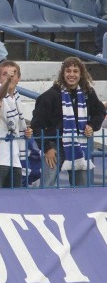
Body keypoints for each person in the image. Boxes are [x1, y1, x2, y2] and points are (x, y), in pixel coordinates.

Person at [31, 56, 105, 187]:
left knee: (81, 188)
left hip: (78, 146)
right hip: (54, 147)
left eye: (75, 71)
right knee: (46, 187)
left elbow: (99, 112)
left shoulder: (88, 93)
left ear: (81, 74)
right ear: (62, 73)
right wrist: (47, 148)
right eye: (68, 71)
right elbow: (36, 125)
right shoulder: (50, 95)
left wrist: (92, 126)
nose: (72, 74)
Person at [0, 60, 29, 189]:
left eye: (13, 74)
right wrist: (8, 81)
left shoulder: (18, 99)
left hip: (14, 158)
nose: (10, 77)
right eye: (5, 74)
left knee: (15, 203)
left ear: (19, 78)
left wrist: (26, 131)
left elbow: (19, 128)